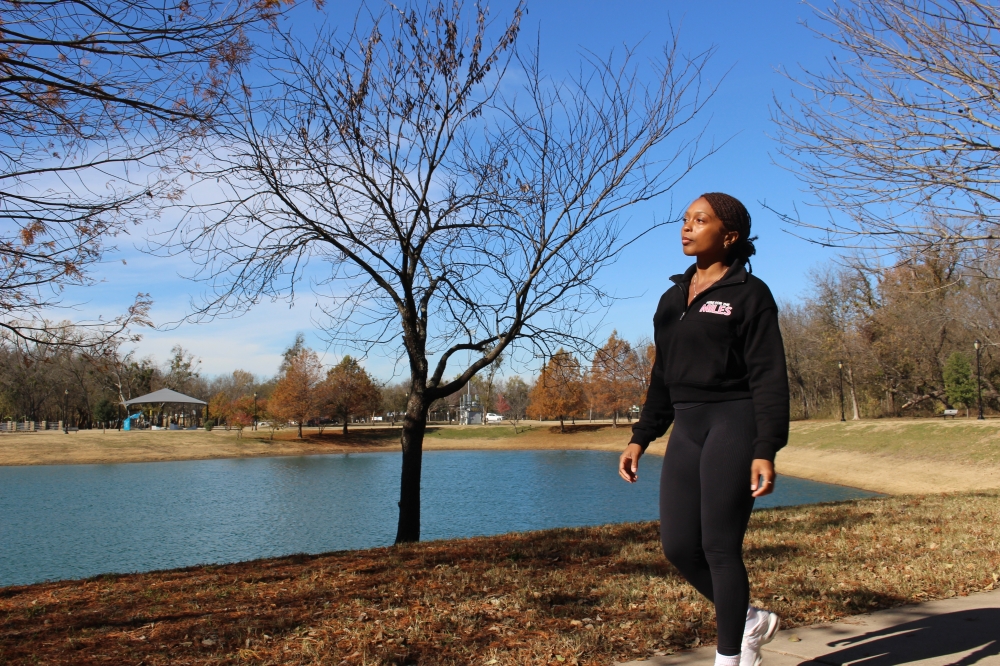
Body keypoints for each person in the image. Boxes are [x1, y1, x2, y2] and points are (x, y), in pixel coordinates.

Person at [619, 192, 789, 666]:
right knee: (677, 546)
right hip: (687, 425)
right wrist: (640, 436)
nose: (687, 227)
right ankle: (749, 620)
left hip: (734, 421)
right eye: (685, 219)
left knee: (719, 546)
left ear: (728, 236)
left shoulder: (750, 294)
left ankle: (732, 657)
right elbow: (662, 376)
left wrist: (766, 446)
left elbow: (769, 376)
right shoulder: (671, 298)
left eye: (700, 220)